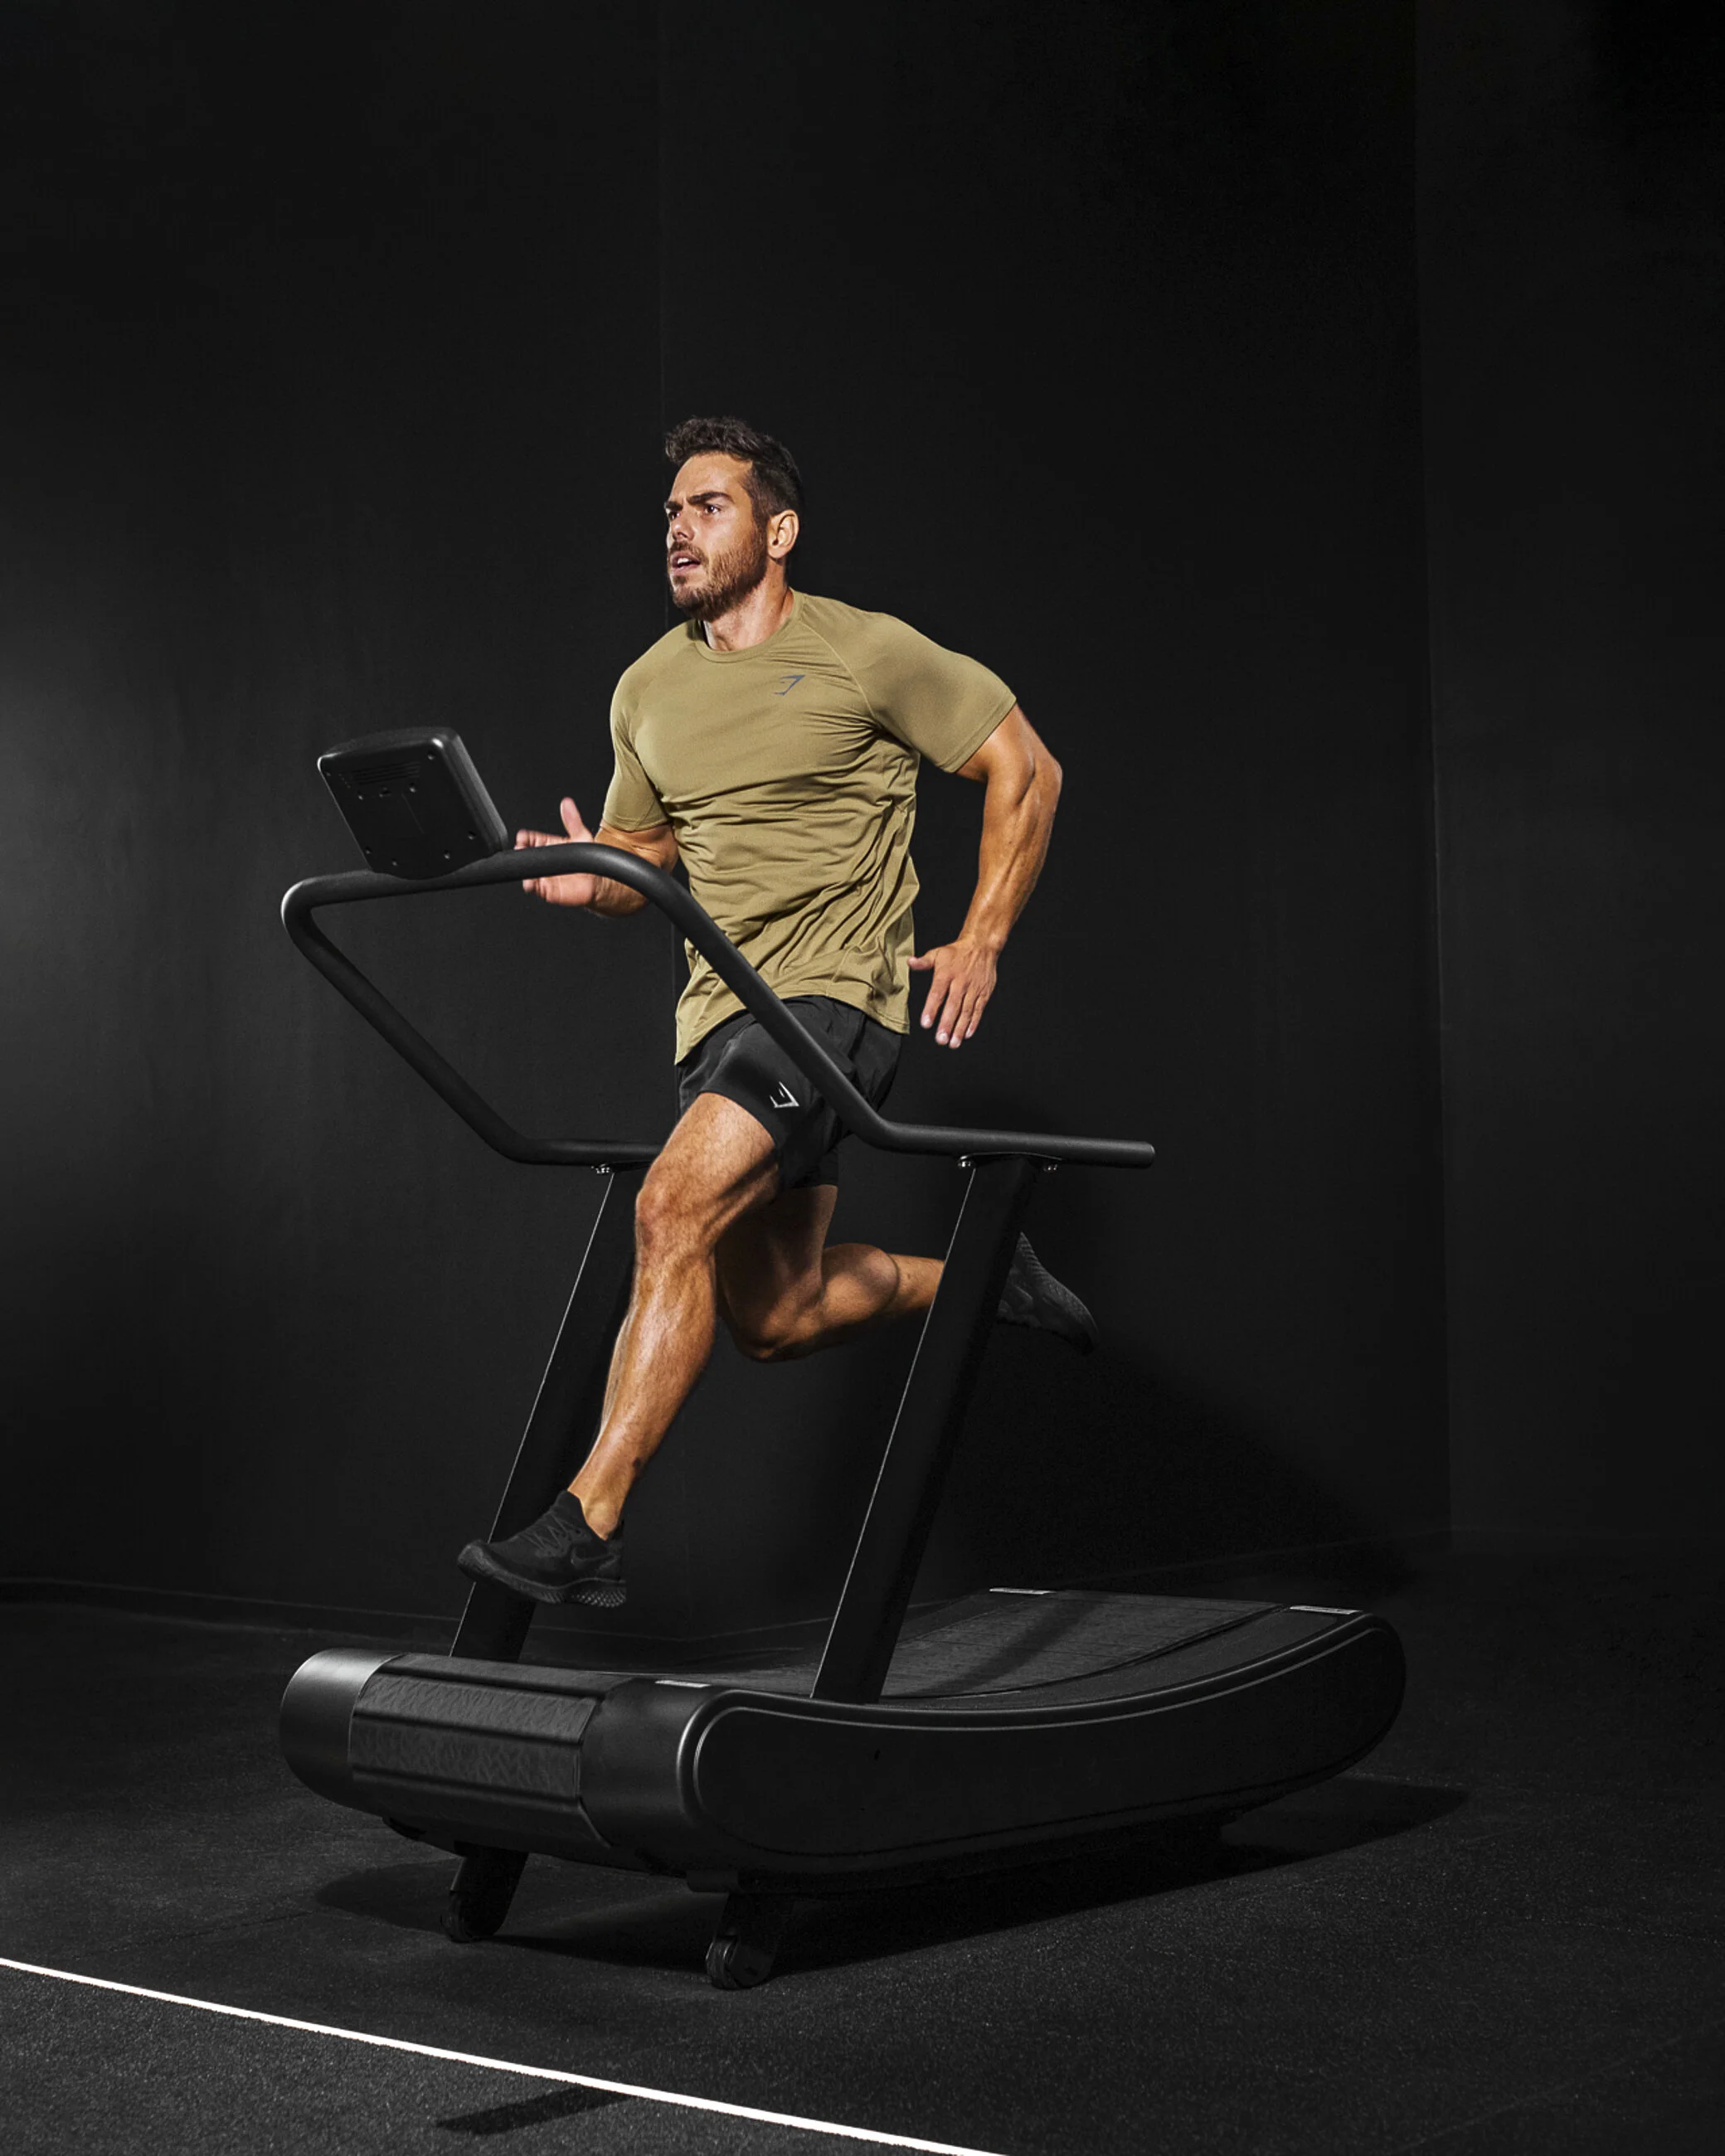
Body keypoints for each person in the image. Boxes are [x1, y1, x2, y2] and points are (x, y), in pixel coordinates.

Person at [458, 416, 1094, 1610]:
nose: (680, 530)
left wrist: (984, 936)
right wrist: (574, 873)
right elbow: (639, 867)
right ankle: (981, 1276)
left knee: (672, 1202)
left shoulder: (864, 651)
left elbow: (1028, 767)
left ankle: (589, 1524)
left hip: (829, 1001)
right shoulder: (645, 688)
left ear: (777, 529)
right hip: (720, 1021)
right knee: (775, 1313)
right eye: (671, 514)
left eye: (709, 507)